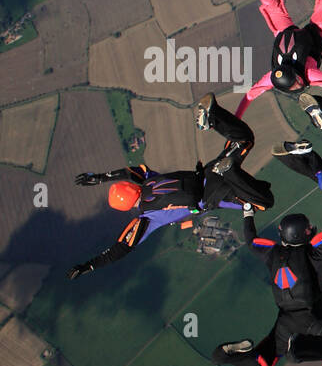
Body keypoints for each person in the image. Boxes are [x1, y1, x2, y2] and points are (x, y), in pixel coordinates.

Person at [68, 94, 274, 279]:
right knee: (244, 140)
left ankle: (230, 172)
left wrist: (89, 266)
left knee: (264, 201)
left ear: (128, 206)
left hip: (216, 195)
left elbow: (120, 249)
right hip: (209, 172)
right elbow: (130, 172)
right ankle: (213, 117)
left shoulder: (147, 218)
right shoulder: (148, 179)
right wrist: (100, 177)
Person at [213, 179, 322, 366]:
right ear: (306, 233)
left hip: (286, 321)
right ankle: (298, 350)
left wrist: (248, 213)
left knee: (262, 363)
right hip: (313, 316)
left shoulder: (272, 254)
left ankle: (222, 356)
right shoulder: (315, 253)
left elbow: (251, 240)